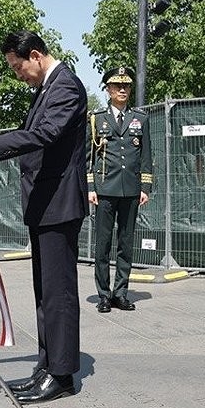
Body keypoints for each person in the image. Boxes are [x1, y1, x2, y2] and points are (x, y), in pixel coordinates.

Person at [0, 31, 87, 403]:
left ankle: (63, 374)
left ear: (35, 56)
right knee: (44, 293)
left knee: (59, 293)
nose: (19, 75)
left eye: (19, 68)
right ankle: (47, 366)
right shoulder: (45, 89)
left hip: (59, 204)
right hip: (44, 204)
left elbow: (45, 134)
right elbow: (32, 133)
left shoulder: (65, 85)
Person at [87, 66, 152, 313]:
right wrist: (90, 186)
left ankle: (121, 292)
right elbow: (88, 156)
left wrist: (145, 186)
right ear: (108, 90)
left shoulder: (141, 118)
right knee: (103, 244)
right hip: (105, 188)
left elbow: (146, 155)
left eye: (126, 86)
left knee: (126, 243)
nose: (122, 90)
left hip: (131, 190)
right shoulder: (97, 118)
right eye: (117, 86)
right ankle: (104, 294)